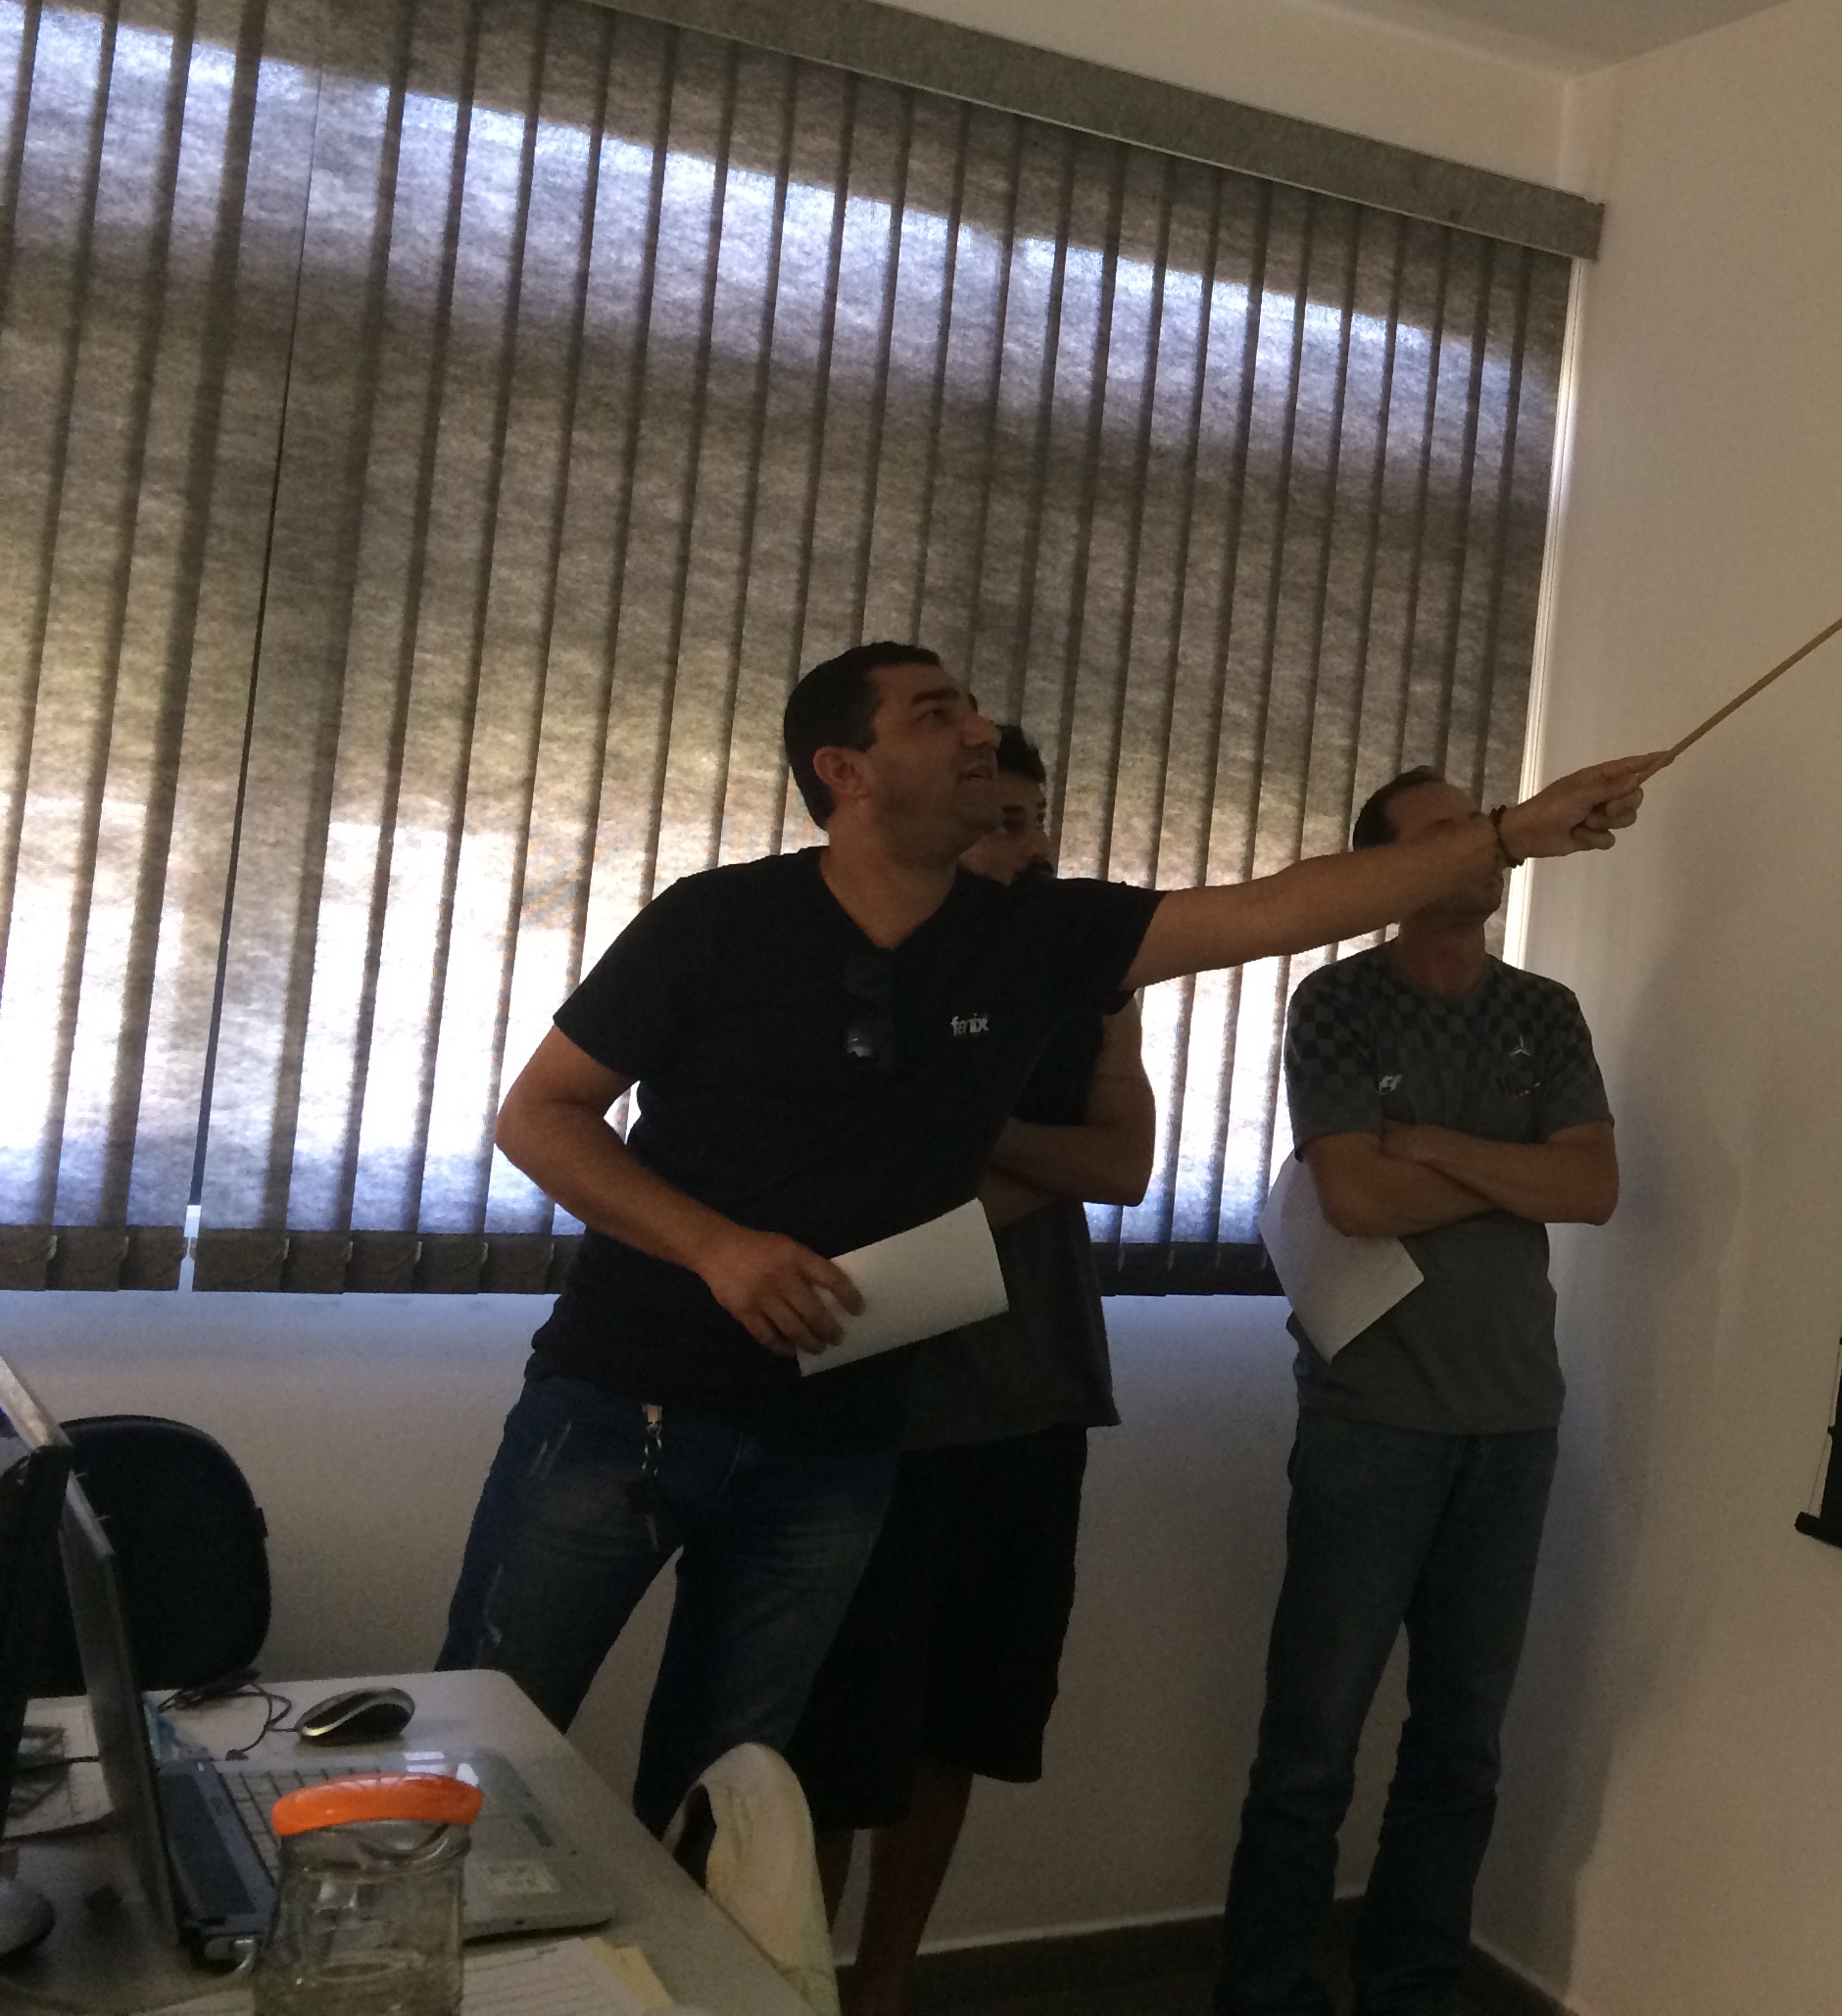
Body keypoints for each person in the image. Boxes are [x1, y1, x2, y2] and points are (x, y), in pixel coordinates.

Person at [440, 642, 1655, 1831]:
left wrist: (1508, 834)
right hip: (622, 1408)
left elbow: (1276, 908)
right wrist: (717, 1248)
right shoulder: (716, 921)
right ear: (844, 771)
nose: (978, 729)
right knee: (481, 1753)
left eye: (972, 707)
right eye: (934, 713)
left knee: (731, 1802)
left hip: (837, 1442)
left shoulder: (1028, 938)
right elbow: (540, 1117)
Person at [1214, 766, 1620, 2016]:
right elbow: (1354, 1198)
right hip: (1372, 1425)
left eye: (1477, 824)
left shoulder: (1544, 1011)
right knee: (1310, 1751)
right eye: (1443, 832)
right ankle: (1266, 1995)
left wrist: (1434, 1146)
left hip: (1514, 1421)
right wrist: (1512, 1167)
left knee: (1460, 1748)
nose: (1478, 845)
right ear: (1391, 867)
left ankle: (1411, 1989)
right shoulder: (1339, 1004)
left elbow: (1591, 1188)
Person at [786, 725, 1154, 2016]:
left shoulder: (1085, 982)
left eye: (1040, 820)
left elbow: (1123, 1167)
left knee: (962, 1731)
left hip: (1033, 1399)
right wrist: (1011, 1161)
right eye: (1005, 822)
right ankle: (792, 1990)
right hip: (871, 1408)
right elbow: (850, 1176)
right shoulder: (857, 966)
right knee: (830, 1747)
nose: (1033, 847)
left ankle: (885, 1988)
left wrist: (963, 1137)